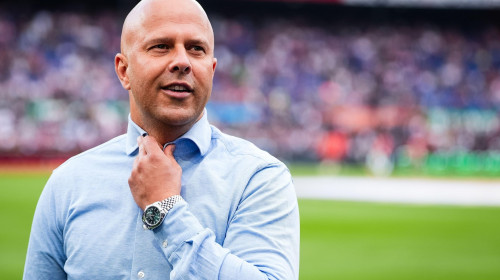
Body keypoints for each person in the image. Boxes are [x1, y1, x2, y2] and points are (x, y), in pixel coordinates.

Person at [23, 0, 300, 279]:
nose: (182, 62)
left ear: (212, 70)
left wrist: (166, 208)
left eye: (196, 49)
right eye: (161, 46)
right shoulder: (69, 183)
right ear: (123, 70)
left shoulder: (259, 178)